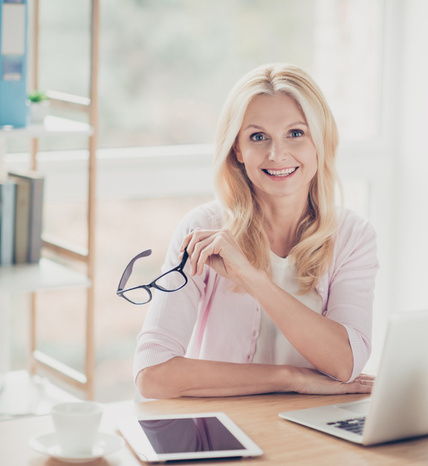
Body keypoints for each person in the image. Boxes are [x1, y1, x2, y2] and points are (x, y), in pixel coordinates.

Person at [134, 63, 379, 399]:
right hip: (224, 428)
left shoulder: (353, 236)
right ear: (237, 149)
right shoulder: (203, 230)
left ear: (319, 141)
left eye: (295, 133)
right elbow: (152, 375)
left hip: (318, 431)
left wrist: (254, 279)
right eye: (258, 137)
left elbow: (345, 363)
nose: (277, 154)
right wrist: (291, 377)